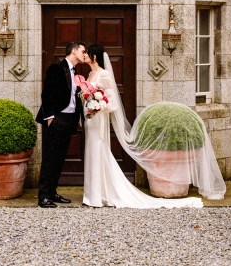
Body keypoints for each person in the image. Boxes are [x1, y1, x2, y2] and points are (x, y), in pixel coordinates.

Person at [80, 45, 207, 209]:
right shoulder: (90, 74)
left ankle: (100, 195)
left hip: (98, 119)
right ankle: (92, 194)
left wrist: (98, 107)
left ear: (94, 57)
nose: (84, 56)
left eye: (87, 54)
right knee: (91, 152)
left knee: (98, 150)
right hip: (90, 120)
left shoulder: (104, 74)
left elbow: (111, 101)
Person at [36, 41, 86, 208]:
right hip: (56, 119)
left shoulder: (76, 72)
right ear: (73, 51)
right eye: (82, 51)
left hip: (69, 120)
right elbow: (47, 94)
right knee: (50, 158)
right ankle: (43, 196)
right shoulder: (56, 68)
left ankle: (52, 192)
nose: (85, 54)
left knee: (60, 158)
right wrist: (50, 117)